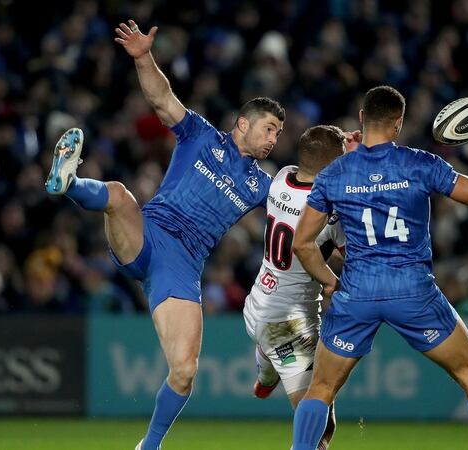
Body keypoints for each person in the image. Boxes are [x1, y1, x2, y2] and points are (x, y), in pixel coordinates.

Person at [290, 86, 468, 450]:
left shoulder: (334, 175)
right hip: (413, 291)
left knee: (320, 388)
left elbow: (301, 243)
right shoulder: (419, 164)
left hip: (358, 292)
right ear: (398, 124)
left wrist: (330, 282)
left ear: (362, 119)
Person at [45, 20, 285, 450]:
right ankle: (70, 184)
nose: (273, 139)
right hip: (147, 235)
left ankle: (148, 447)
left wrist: (348, 157)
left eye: (278, 133)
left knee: (185, 370)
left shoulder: (261, 184)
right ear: (242, 124)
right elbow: (160, 99)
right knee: (119, 195)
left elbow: (305, 198)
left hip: (181, 267)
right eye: (268, 128)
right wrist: (143, 58)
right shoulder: (199, 135)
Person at [243, 125, 352, 450]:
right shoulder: (330, 213)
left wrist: (337, 147)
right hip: (289, 323)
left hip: (256, 302)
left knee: (314, 416)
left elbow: (318, 154)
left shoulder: (281, 178)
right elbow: (352, 257)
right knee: (320, 431)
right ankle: (270, 355)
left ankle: (266, 365)